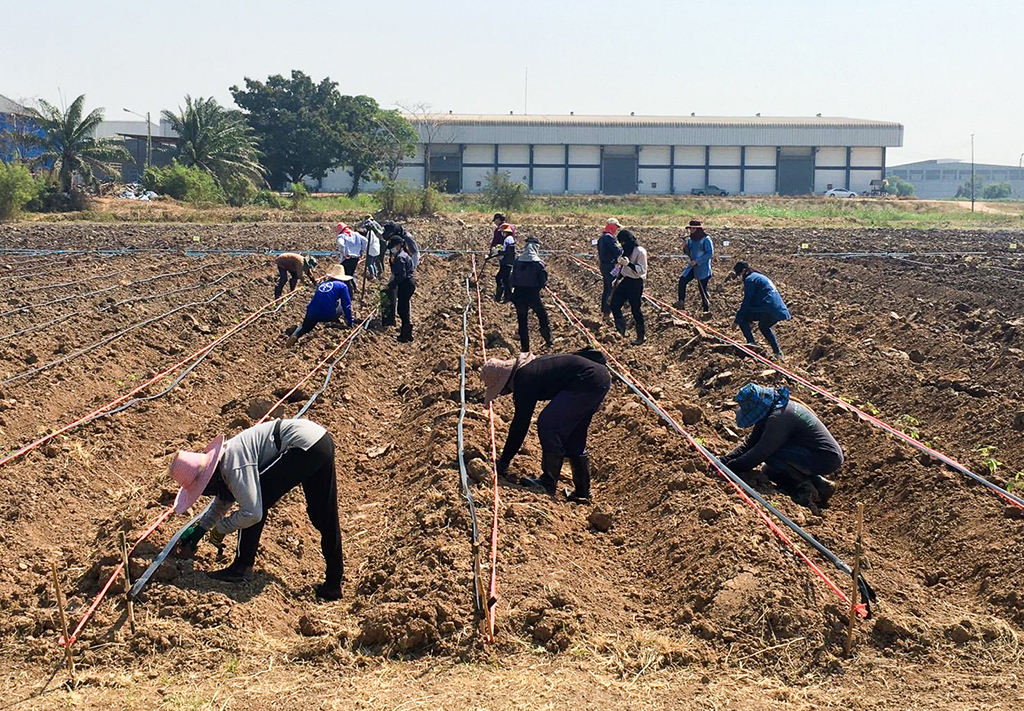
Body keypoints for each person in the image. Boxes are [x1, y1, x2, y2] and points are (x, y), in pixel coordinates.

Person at [170, 418, 344, 600]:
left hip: (299, 445)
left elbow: (252, 513)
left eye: (204, 488)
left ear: (209, 478)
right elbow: (224, 498)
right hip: (319, 441)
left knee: (257, 500)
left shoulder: (233, 465)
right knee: (325, 515)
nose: (208, 492)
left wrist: (220, 528)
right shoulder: (223, 464)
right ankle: (333, 583)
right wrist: (202, 528)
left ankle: (241, 566)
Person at [482, 348, 611, 503]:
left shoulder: (524, 379)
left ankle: (548, 483)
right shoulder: (529, 369)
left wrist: (504, 461)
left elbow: (520, 423)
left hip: (587, 379)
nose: (503, 394)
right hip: (598, 378)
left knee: (548, 423)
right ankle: (582, 492)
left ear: (504, 383)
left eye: (500, 391)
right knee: (575, 433)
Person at [719, 383, 841, 511]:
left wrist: (729, 469)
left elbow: (761, 452)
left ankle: (805, 491)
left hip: (824, 458)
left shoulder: (779, 417)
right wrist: (724, 461)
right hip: (817, 454)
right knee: (770, 471)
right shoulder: (772, 411)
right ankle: (821, 485)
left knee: (772, 454)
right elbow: (750, 444)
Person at [731, 262, 791, 359]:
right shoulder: (759, 277)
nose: (740, 277)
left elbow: (747, 302)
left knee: (743, 318)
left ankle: (752, 344)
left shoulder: (750, 280)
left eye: (739, 274)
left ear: (743, 271)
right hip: (779, 310)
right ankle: (778, 353)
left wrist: (737, 320)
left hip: (767, 308)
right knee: (764, 327)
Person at [286, 265, 354, 347]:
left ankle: (296, 334)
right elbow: (347, 305)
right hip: (328, 315)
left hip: (311, 311)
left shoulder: (323, 284)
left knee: (305, 326)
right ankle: (336, 321)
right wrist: (350, 322)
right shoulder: (342, 286)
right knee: (339, 302)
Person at [510, 235, 552, 353]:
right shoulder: (539, 264)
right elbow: (542, 282)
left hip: (519, 295)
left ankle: (525, 348)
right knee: (542, 316)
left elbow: (511, 279)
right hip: (533, 295)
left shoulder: (518, 261)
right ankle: (548, 340)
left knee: (522, 321)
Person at [609, 229, 648, 346]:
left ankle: (641, 336)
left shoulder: (640, 252)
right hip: (625, 281)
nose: (623, 245)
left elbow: (641, 271)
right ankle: (621, 331)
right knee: (614, 305)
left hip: (636, 283)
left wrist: (629, 264)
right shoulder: (625, 251)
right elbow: (622, 268)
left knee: (635, 309)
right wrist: (616, 277)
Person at [676, 220, 713, 313]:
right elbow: (688, 251)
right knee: (682, 280)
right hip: (692, 267)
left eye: (693, 228)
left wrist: (697, 261)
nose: (691, 230)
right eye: (690, 228)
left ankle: (706, 309)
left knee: (702, 289)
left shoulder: (706, 239)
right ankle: (681, 302)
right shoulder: (690, 239)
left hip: (702, 268)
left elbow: (709, 254)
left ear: (698, 229)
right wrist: (685, 247)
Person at [385, 236, 417, 342]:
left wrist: (390, 285)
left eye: (393, 246)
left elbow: (401, 275)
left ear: (398, 245)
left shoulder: (400, 257)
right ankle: (406, 333)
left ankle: (405, 335)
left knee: (402, 309)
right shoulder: (402, 255)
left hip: (406, 284)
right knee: (404, 308)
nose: (392, 249)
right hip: (408, 283)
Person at [597, 218, 623, 317]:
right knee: (611, 288)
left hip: (605, 265)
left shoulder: (602, 237)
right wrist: (621, 248)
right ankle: (607, 311)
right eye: (616, 227)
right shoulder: (609, 238)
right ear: (612, 226)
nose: (617, 229)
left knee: (608, 288)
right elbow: (617, 251)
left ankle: (606, 310)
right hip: (610, 266)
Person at [490, 223, 516, 303]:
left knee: (503, 279)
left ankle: (505, 296)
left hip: (506, 262)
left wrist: (498, 251)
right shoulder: (510, 238)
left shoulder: (508, 239)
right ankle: (503, 296)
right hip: (507, 261)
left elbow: (507, 251)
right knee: (504, 279)